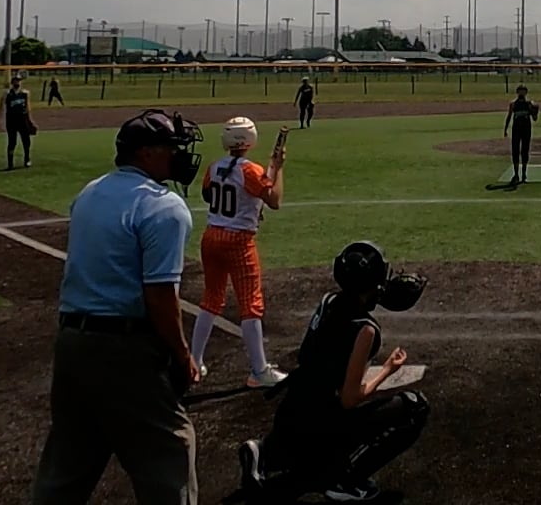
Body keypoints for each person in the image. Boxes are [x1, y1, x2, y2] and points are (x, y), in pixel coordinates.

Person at [31, 110, 206, 505]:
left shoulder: (90, 192)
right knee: (169, 452)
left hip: (72, 344)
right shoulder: (164, 207)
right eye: (171, 148)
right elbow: (160, 296)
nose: (178, 155)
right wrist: (182, 356)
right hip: (123, 350)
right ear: (146, 153)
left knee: (69, 461)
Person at [238, 241, 430, 503]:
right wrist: (387, 370)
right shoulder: (366, 330)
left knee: (310, 413)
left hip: (290, 413)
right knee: (414, 407)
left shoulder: (328, 300)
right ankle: (344, 480)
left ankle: (264, 452)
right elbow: (350, 399)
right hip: (321, 426)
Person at [191, 117, 288, 388]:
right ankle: (259, 370)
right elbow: (274, 200)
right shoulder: (251, 170)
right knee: (250, 303)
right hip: (239, 240)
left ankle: (194, 360)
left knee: (211, 299)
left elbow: (210, 196)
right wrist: (278, 168)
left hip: (212, 235)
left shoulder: (214, 167)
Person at [503, 85, 540, 186]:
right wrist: (505, 129)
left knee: (525, 151)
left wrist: (535, 111)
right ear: (517, 92)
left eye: (523, 91)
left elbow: (534, 118)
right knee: (515, 151)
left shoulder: (529, 104)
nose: (521, 93)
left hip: (526, 130)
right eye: (520, 91)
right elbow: (509, 116)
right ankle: (516, 174)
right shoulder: (513, 104)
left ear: (526, 93)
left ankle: (524, 174)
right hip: (516, 130)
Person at [4, 72, 37, 170]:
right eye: (15, 81)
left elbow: (28, 108)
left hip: (23, 119)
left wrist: (30, 121)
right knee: (12, 142)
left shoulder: (25, 93)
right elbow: (2, 108)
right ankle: (10, 163)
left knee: (26, 140)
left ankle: (27, 159)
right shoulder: (7, 94)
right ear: (12, 82)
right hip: (11, 120)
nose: (17, 83)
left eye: (18, 81)